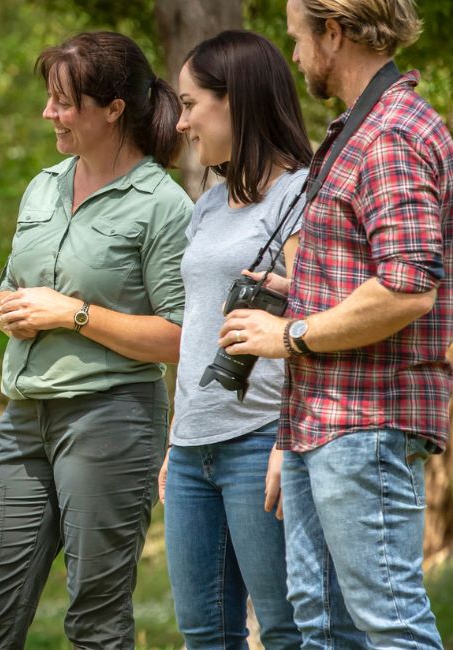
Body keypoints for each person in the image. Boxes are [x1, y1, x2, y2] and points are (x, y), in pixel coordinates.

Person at [220, 0, 452, 646]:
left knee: (388, 623)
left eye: (298, 39)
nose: (294, 57)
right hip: (319, 421)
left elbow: (409, 288)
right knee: (322, 625)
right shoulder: (361, 126)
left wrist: (289, 333)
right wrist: (298, 294)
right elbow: (374, 272)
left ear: (333, 32)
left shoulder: (391, 135)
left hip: (365, 422)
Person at [0, 31, 191, 649]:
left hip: (111, 420)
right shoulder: (41, 186)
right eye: (49, 99)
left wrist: (74, 314)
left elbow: (179, 337)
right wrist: (7, 310)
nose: (49, 114)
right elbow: (9, 288)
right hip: (25, 419)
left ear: (113, 108)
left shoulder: (162, 205)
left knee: (94, 617)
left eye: (64, 102)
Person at [160, 29, 311, 649]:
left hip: (261, 441)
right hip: (193, 447)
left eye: (191, 104)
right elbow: (197, 326)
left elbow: (313, 324)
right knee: (204, 635)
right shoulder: (209, 204)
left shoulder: (299, 195)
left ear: (236, 100)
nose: (180, 123)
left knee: (284, 631)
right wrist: (176, 438)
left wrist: (288, 438)